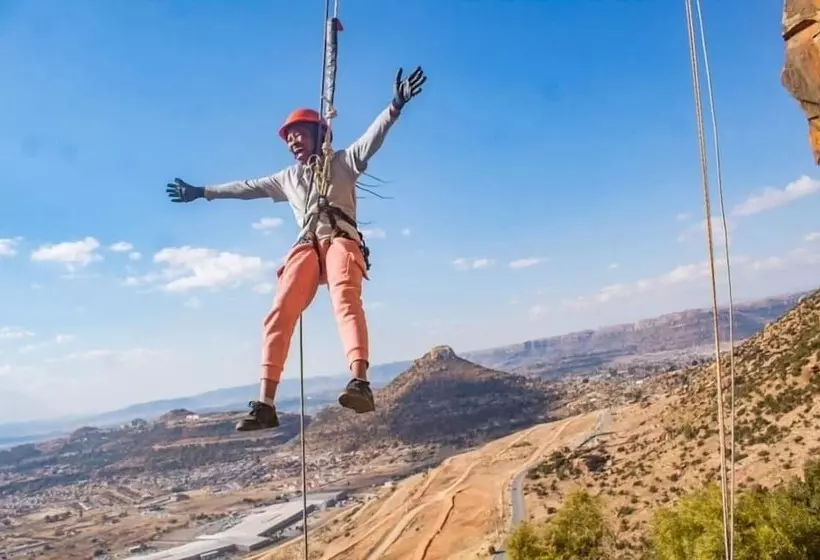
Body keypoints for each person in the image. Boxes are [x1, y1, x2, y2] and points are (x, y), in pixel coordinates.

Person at [165, 67, 427, 432]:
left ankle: (360, 382)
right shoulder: (288, 179)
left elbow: (373, 138)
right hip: (307, 245)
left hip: (338, 239)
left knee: (345, 298)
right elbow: (245, 187)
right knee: (278, 314)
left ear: (320, 135)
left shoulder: (343, 163)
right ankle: (266, 403)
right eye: (289, 139)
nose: (293, 143)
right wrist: (202, 192)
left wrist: (395, 106)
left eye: (299, 135)